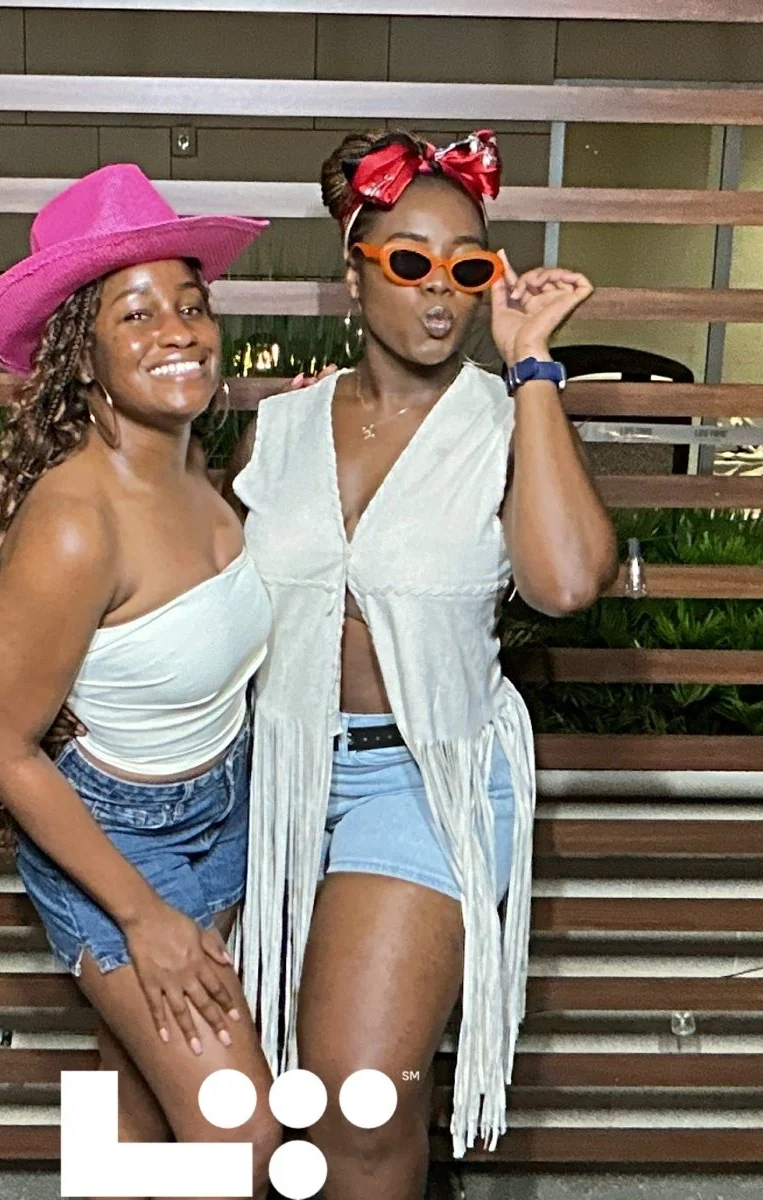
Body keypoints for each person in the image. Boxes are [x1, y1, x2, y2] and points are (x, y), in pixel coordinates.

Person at [224, 129, 618, 1198]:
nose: (440, 292)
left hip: (426, 775)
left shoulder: (503, 421)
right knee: (268, 1108)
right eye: (410, 261)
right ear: (354, 270)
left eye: (469, 265)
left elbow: (568, 580)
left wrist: (533, 361)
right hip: (284, 779)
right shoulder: (282, 427)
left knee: (360, 1096)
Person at [0, 163, 280, 1192]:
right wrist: (145, 920)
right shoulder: (73, 522)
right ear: (83, 356)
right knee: (241, 1137)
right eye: (137, 314)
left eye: (191, 306)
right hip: (119, 841)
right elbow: (1, 741)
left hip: (223, 812)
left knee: (142, 1089)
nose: (179, 332)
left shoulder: (200, 467)